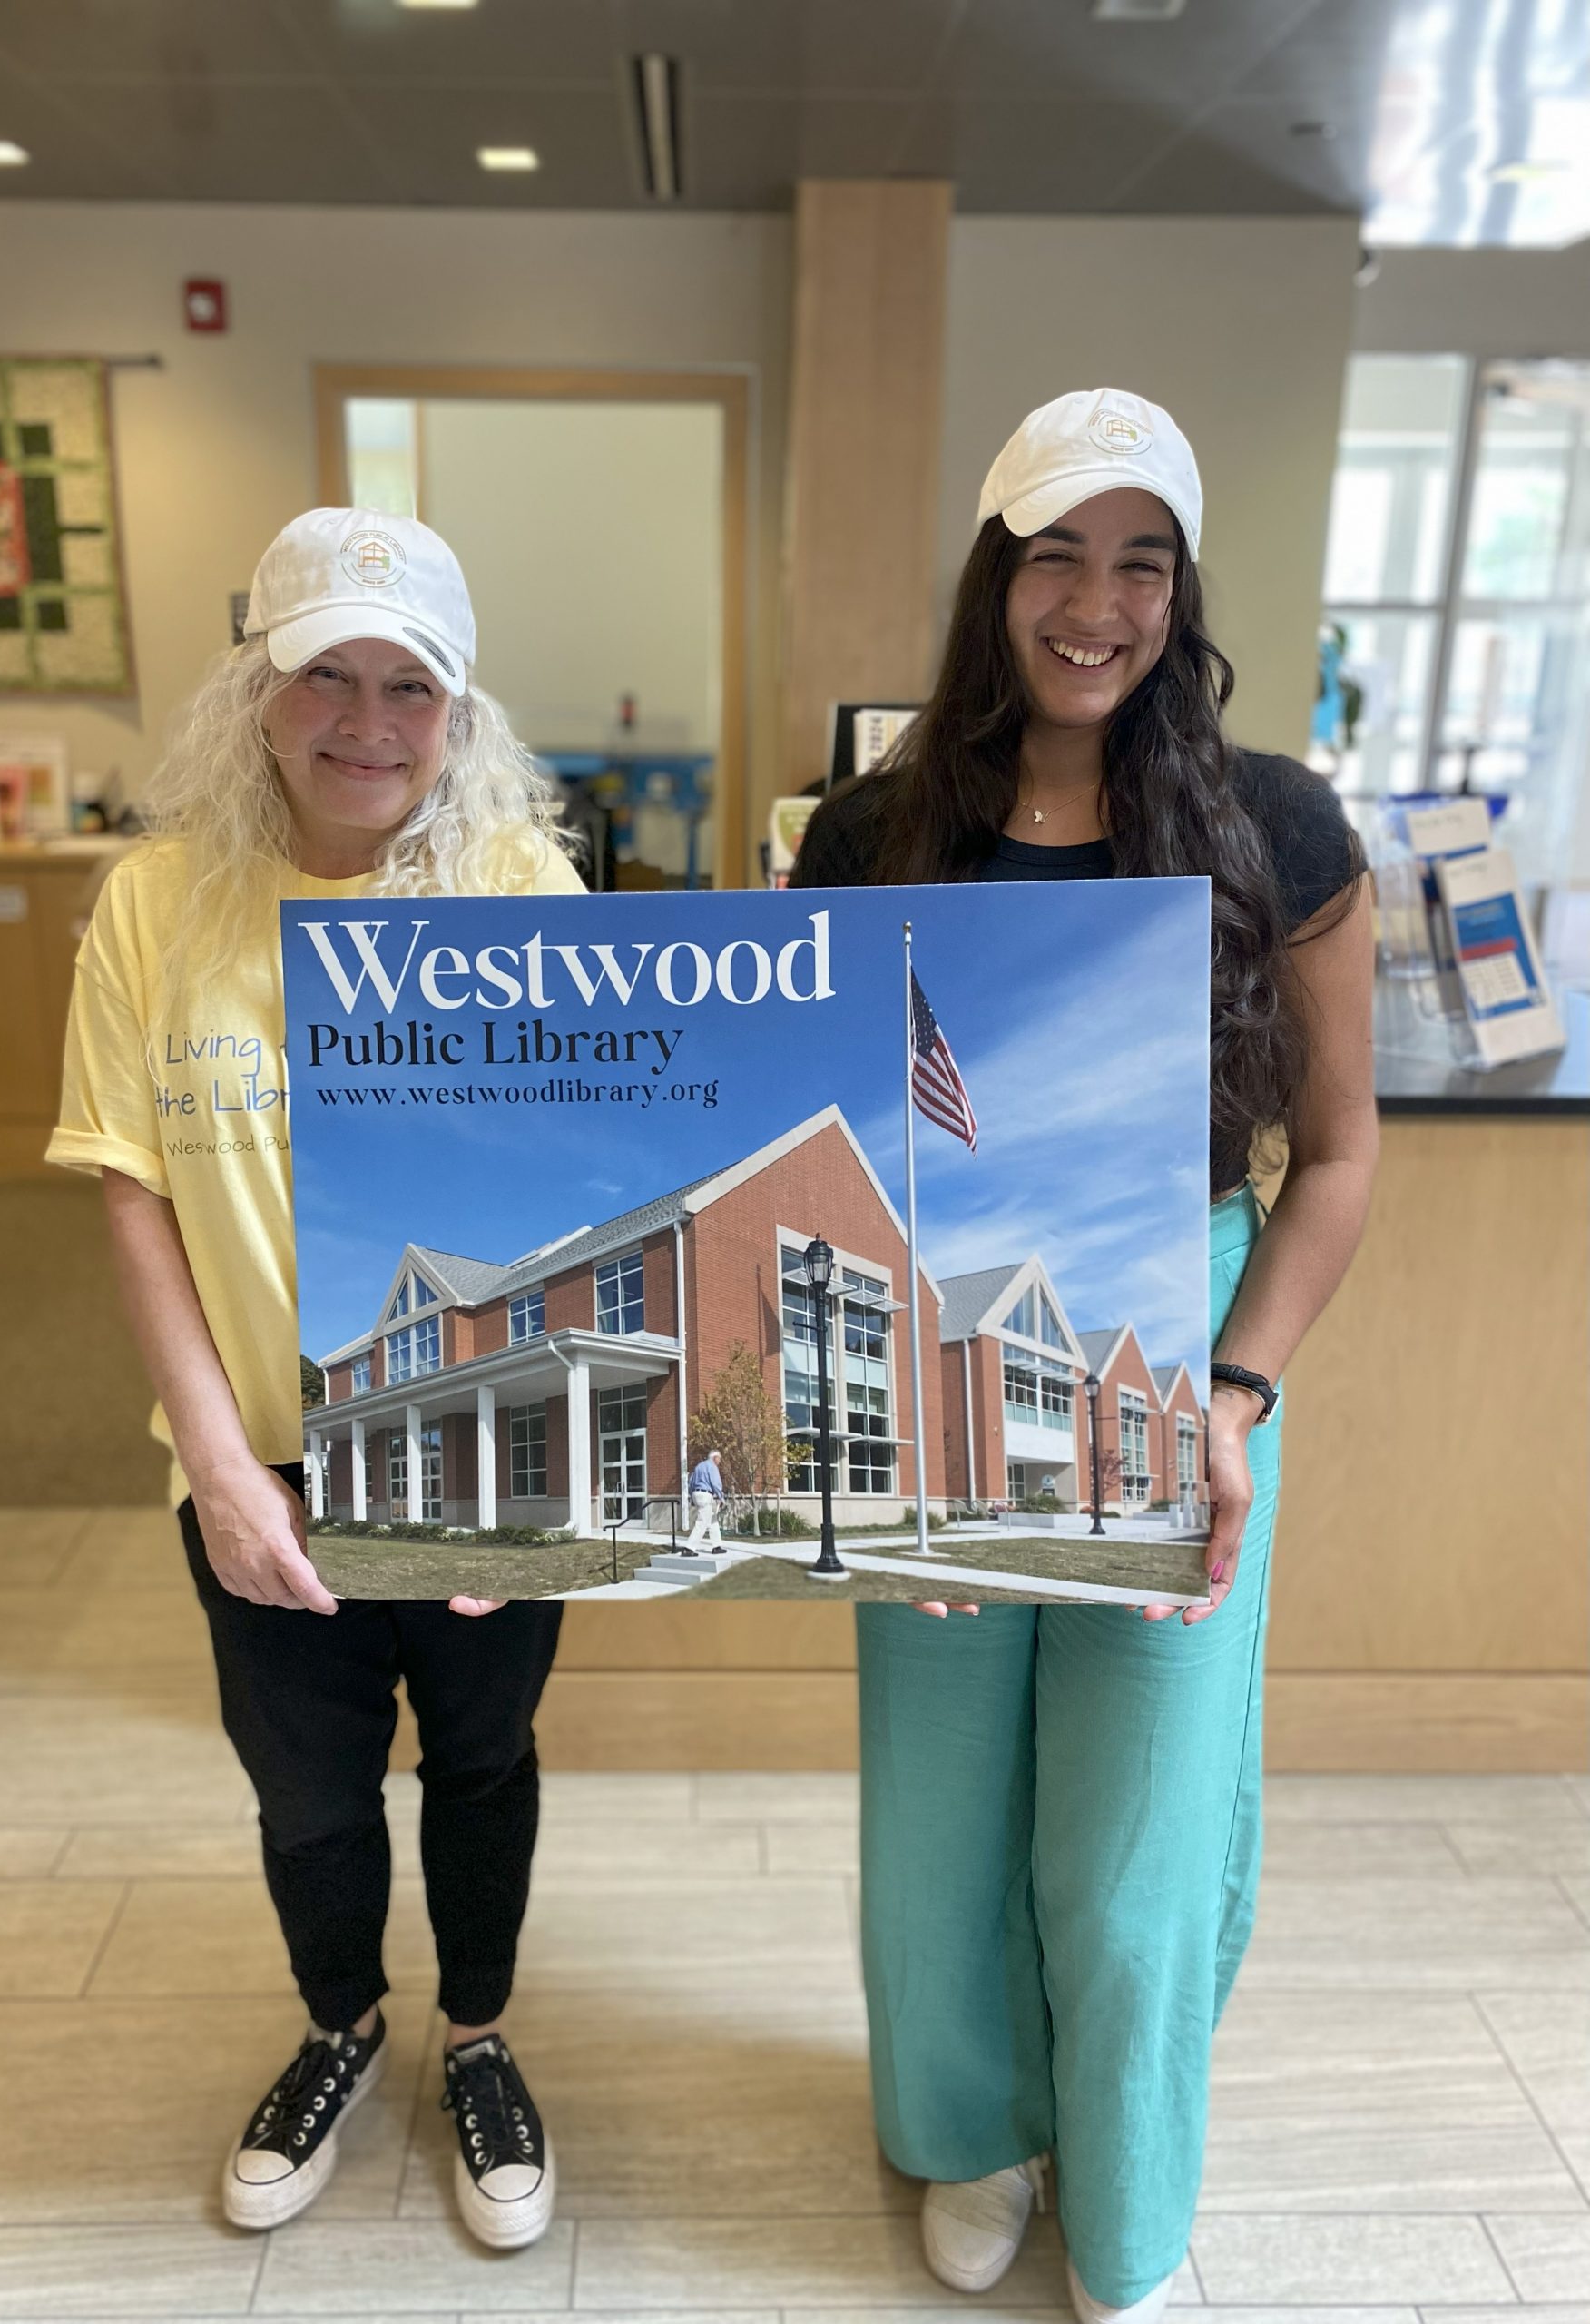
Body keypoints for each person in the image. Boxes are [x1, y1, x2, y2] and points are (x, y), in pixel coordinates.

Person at [789, 390, 1378, 2323]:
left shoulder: (1274, 822)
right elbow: (815, 1145)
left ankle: (1124, 2181)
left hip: (1178, 1341)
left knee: (1134, 1818)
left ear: (1183, 587)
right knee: (941, 1791)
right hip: (925, 1324)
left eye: (1142, 558)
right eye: (1058, 550)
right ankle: (969, 2129)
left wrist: (1235, 1387)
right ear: (996, 572)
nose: (1097, 600)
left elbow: (1344, 1159)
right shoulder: (872, 831)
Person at [46, 508, 586, 2246]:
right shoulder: (152, 906)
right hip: (262, 1469)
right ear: (255, 693)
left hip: (477, 1458)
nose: (367, 723)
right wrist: (217, 1464)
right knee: (304, 1788)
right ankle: (341, 2026)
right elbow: (134, 1192)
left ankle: (481, 2035)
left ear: (461, 709)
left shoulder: (518, 895)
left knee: (485, 1763)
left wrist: (508, 1490)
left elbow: (568, 1186)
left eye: (408, 687)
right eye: (324, 679)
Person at [686, 1447, 725, 1551]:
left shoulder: (699, 1466)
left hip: (696, 1493)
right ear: (715, 1458)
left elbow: (691, 1482)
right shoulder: (712, 1466)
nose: (719, 1461)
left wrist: (692, 1498)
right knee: (702, 1522)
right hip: (705, 1495)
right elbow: (716, 1483)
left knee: (712, 1519)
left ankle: (716, 1546)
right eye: (719, 1459)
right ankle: (689, 1548)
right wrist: (722, 1498)